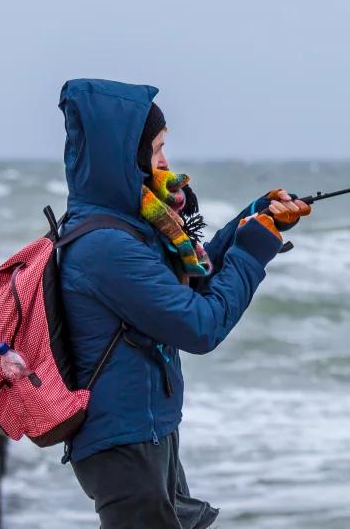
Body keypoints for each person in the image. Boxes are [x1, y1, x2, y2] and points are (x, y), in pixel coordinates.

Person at [57, 79, 310, 528]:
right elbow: (200, 326)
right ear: (126, 158)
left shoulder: (129, 225)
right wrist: (252, 254)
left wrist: (253, 219)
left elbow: (188, 277)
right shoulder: (107, 246)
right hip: (124, 442)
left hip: (148, 429)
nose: (165, 162)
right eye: (156, 151)